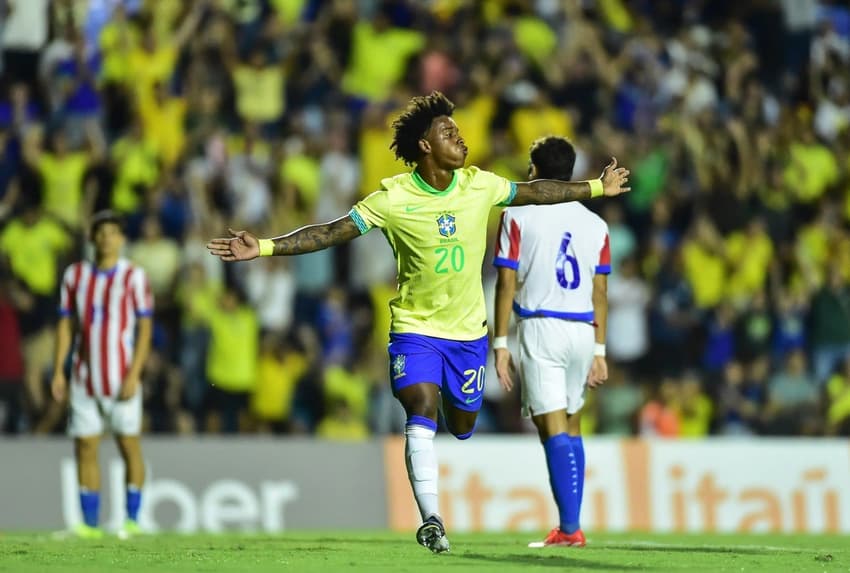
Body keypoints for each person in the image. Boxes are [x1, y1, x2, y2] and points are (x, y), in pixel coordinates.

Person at [207, 92, 629, 553]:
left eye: (459, 131)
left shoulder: (479, 184)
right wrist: (265, 247)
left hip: (468, 336)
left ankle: (454, 425)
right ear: (425, 146)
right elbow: (328, 232)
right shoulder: (392, 198)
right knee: (420, 406)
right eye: (448, 132)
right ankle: (431, 519)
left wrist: (594, 188)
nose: (460, 138)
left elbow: (539, 191)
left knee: (462, 423)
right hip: (415, 329)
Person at [492, 136, 611, 548]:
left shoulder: (518, 215)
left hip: (542, 328)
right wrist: (600, 351)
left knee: (551, 427)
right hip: (583, 331)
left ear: (533, 171)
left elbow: (506, 281)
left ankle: (570, 529)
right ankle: (570, 525)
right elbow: (600, 293)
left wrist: (500, 342)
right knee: (572, 424)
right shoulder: (596, 224)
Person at [51, 211, 153, 538]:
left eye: (113, 233)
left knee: (129, 447)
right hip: (84, 376)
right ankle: (89, 526)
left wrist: (135, 374)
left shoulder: (133, 277)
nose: (106, 238)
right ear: (92, 237)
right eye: (101, 232)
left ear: (122, 239)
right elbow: (66, 325)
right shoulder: (75, 276)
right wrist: (58, 370)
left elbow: (145, 328)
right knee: (85, 447)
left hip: (121, 374)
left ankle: (132, 520)